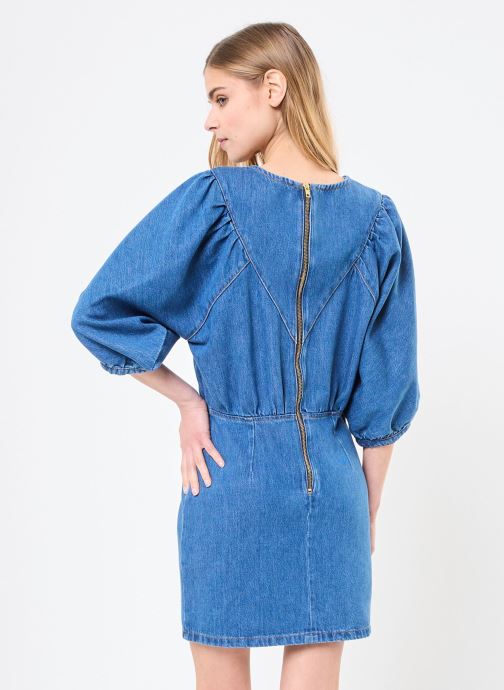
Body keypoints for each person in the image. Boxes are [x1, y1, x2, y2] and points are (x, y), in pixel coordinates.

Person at [71, 21, 420, 690]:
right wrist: (365, 512)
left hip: (227, 477)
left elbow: (98, 313)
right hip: (334, 489)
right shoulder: (379, 222)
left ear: (274, 87)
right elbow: (386, 395)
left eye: (221, 97)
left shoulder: (213, 204)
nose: (210, 120)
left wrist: (189, 402)